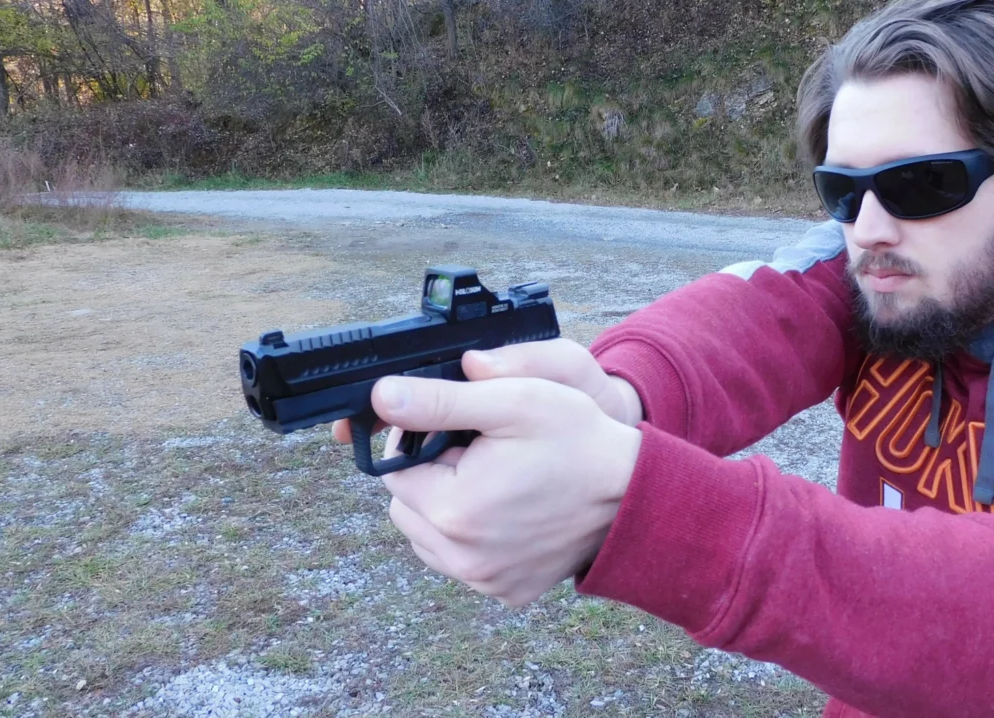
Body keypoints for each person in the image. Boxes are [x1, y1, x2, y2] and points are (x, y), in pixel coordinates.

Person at [333, 0, 994, 715]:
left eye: (922, 184)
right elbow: (754, 317)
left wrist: (637, 499)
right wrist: (612, 398)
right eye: (841, 190)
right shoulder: (888, 267)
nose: (867, 228)